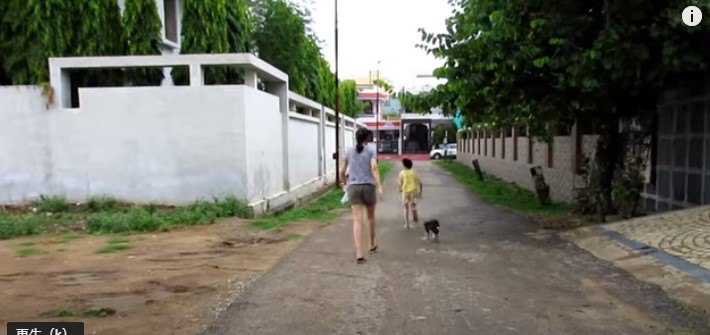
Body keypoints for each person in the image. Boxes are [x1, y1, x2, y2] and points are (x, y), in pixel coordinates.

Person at [340, 128, 382, 264]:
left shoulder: (348, 151)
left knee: (357, 220)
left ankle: (359, 253)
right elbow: (374, 168)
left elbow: (342, 171)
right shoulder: (370, 150)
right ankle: (372, 244)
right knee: (370, 217)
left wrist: (345, 184)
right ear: (366, 139)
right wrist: (379, 185)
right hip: (369, 187)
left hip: (353, 188)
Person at [399, 158, 422, 230]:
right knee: (414, 207)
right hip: (413, 192)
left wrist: (400, 189)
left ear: (404, 165)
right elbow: (419, 182)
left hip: (405, 192)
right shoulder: (414, 172)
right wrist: (420, 191)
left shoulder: (402, 173)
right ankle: (415, 220)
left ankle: (407, 224)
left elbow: (401, 183)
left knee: (406, 208)